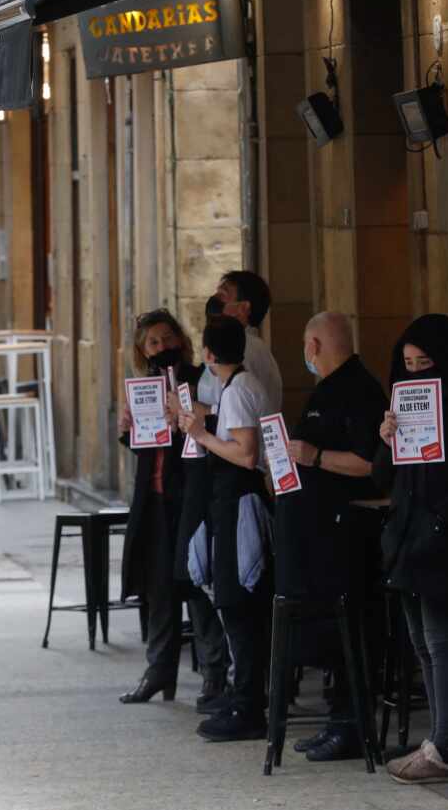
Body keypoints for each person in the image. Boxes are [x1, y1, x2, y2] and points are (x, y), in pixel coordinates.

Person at [372, 315, 448, 784]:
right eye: (408, 363)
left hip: (440, 535)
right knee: (420, 640)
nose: (416, 372)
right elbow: (382, 476)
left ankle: (445, 746)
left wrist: (444, 518)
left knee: (441, 640)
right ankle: (437, 739)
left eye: (425, 363)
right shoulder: (399, 408)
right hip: (404, 532)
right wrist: (386, 438)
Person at [282, 311, 388, 761]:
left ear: (315, 345)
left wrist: (315, 455)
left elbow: (371, 464)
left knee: (353, 631)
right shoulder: (328, 388)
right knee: (329, 631)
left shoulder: (360, 390)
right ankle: (336, 719)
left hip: (348, 531)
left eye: (307, 345)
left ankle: (351, 724)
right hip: (318, 531)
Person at [117, 309, 229, 710]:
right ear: (142, 351)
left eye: (167, 338)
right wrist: (129, 428)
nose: (162, 347)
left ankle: (214, 675)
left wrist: (185, 412)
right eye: (153, 342)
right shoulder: (143, 386)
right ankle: (159, 670)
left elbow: (217, 429)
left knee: (197, 584)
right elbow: (146, 446)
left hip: (192, 497)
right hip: (155, 498)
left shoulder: (202, 381)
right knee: (159, 589)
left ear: (181, 339)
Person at [178, 315, 272, 743]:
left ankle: (248, 704)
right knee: (239, 604)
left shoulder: (237, 391)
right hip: (238, 503)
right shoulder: (245, 385)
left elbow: (245, 453)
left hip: (239, 504)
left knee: (237, 605)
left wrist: (201, 435)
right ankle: (244, 696)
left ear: (209, 354)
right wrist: (197, 418)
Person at [196, 271, 283, 419]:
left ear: (243, 308)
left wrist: (204, 410)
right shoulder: (245, 345)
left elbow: (240, 407)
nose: (214, 300)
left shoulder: (244, 348)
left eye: (222, 295)